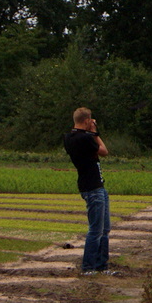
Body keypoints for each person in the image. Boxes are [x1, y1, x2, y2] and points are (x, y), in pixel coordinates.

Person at [63, 107, 113, 275]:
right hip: (93, 188)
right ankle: (89, 267)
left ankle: (101, 266)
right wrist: (95, 132)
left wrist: (90, 132)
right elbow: (104, 151)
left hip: (95, 186)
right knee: (97, 230)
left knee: (104, 229)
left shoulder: (69, 138)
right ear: (86, 121)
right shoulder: (84, 138)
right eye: (90, 120)